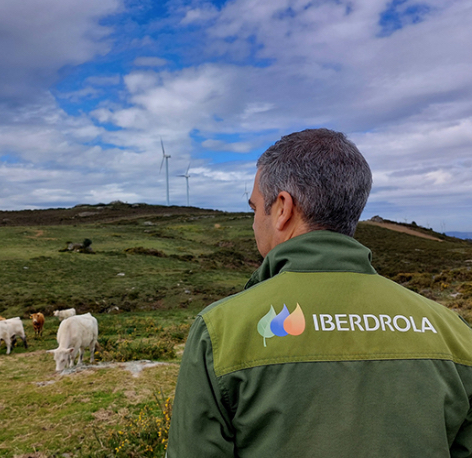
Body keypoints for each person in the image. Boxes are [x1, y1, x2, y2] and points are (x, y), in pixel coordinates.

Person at [166, 128, 472, 457]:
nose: (254, 223)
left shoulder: (220, 333)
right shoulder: (454, 334)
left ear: (282, 208)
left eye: (254, 208)